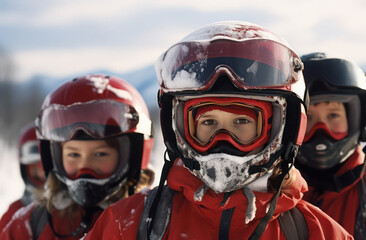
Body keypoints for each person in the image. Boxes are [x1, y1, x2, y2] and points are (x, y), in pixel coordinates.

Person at [84, 21, 352, 239]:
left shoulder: (318, 233)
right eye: (208, 123)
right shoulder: (127, 226)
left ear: (282, 128)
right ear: (179, 129)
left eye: (243, 122)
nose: (222, 141)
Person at [0, 74, 154, 239]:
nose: (85, 166)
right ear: (54, 158)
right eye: (73, 154)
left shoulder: (154, 222)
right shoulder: (30, 225)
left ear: (131, 156)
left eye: (100, 154)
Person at [295, 52, 366, 239]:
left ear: (357, 120)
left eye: (333, 115)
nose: (321, 130)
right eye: (309, 118)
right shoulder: (271, 191)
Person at [0, 122, 45, 230]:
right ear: (25, 171)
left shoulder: (78, 210)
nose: (44, 173)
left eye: (49, 167)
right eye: (37, 168)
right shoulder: (15, 213)